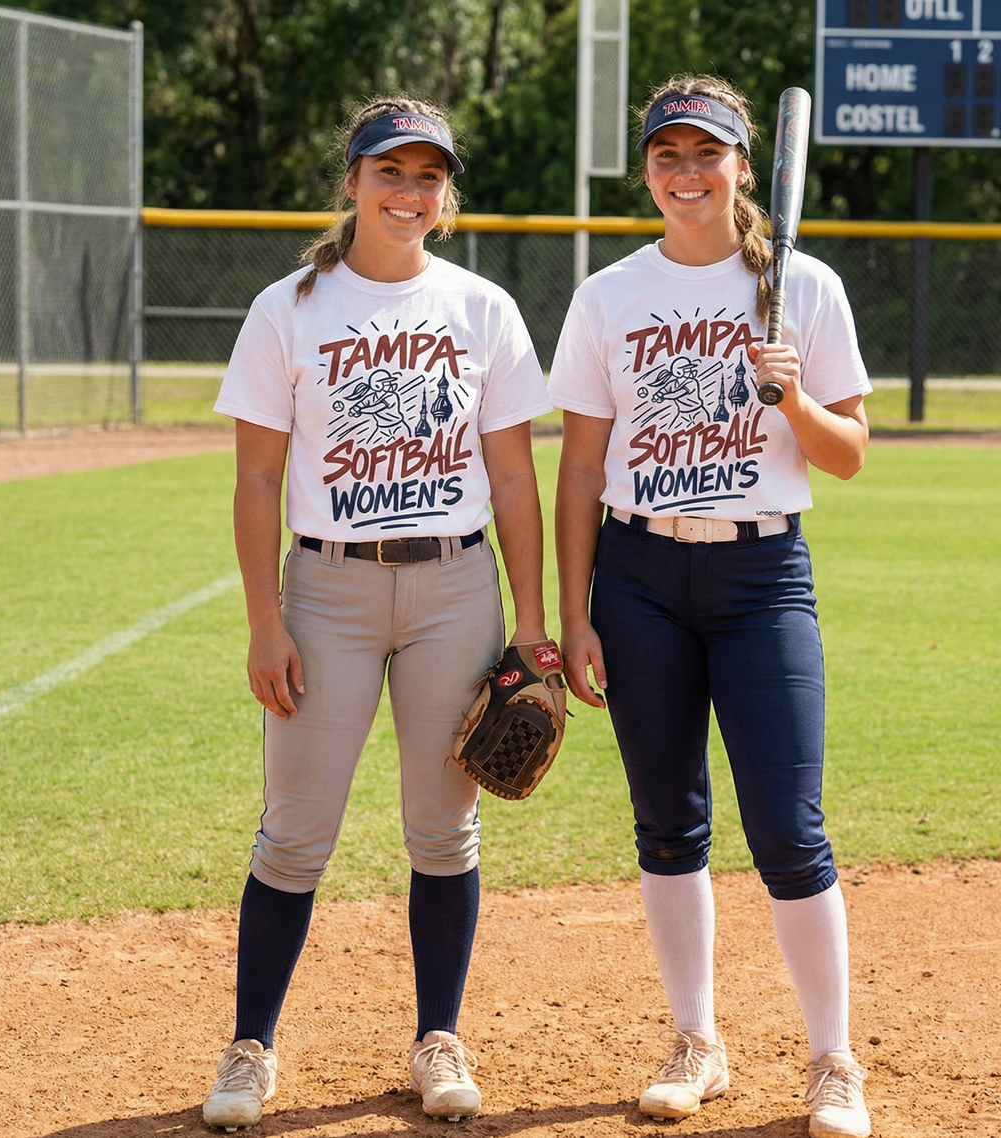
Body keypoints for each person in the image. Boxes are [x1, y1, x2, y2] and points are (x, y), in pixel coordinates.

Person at [205, 96, 553, 1130]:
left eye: (427, 176)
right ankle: (250, 1047)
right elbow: (256, 479)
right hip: (328, 590)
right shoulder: (291, 307)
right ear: (351, 180)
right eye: (388, 172)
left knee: (444, 828)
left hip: (454, 583)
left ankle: (436, 1036)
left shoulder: (481, 308)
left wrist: (530, 626)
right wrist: (266, 620)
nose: (409, 192)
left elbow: (517, 481)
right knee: (295, 834)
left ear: (446, 197)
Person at [549, 74, 873, 1138]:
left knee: (789, 826)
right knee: (667, 822)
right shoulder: (608, 295)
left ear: (743, 164)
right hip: (638, 576)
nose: (685, 172)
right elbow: (580, 463)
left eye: (706, 153)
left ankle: (832, 1062)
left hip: (760, 576)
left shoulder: (802, 286)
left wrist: (796, 396)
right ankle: (697, 1040)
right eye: (666, 155)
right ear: (647, 170)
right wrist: (575, 609)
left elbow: (849, 456)